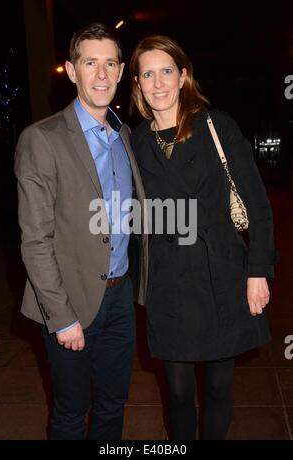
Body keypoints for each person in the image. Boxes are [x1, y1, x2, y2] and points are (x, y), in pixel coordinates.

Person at [129, 35, 276, 440]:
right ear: (137, 83)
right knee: (177, 393)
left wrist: (258, 271)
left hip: (220, 273)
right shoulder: (135, 141)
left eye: (166, 72)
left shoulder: (216, 126)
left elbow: (258, 205)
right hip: (168, 280)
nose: (158, 83)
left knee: (217, 387)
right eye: (147, 74)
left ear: (183, 77)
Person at [14, 22, 147, 440]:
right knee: (72, 413)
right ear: (72, 71)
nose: (102, 74)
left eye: (110, 64)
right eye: (91, 63)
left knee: (113, 403)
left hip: (121, 298)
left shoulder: (125, 136)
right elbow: (36, 240)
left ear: (123, 71)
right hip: (69, 302)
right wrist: (62, 317)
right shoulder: (42, 138)